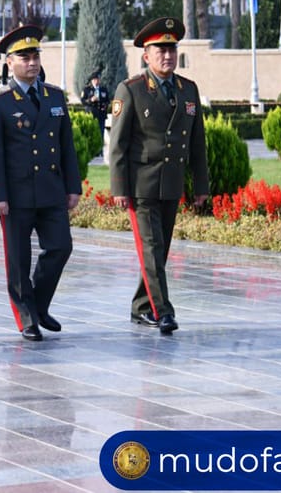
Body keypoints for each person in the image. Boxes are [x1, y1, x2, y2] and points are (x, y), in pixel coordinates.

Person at [0, 25, 81, 341]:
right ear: (9, 62)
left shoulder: (54, 96)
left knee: (61, 247)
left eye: (35, 55)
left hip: (50, 190)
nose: (32, 62)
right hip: (16, 193)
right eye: (24, 57)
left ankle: (38, 303)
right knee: (18, 259)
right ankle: (26, 315)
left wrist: (73, 186)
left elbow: (66, 145)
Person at [109, 17, 209, 336]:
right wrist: (119, 188)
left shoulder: (188, 90)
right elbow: (118, 145)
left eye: (171, 49)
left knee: (159, 250)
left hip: (171, 184)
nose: (167, 55)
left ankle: (141, 307)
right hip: (141, 187)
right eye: (159, 50)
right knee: (151, 249)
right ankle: (162, 311)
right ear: (146, 56)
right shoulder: (131, 90)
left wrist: (201, 187)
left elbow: (198, 145)